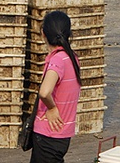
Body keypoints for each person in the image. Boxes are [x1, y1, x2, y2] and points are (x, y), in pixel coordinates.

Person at [30, 11, 82, 163]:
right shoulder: (72, 57)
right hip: (63, 134)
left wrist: (51, 108)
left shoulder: (57, 60)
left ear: (43, 34)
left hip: (48, 134)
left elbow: (45, 92)